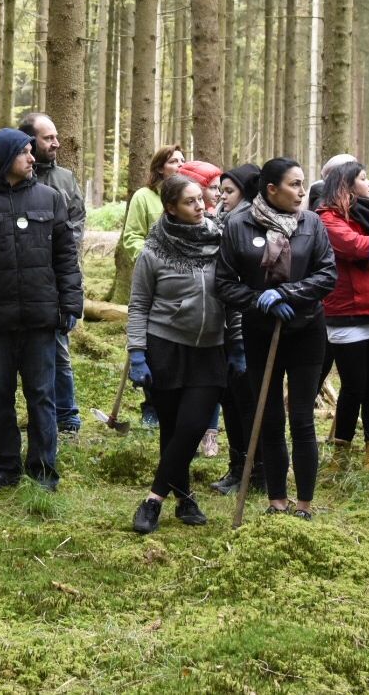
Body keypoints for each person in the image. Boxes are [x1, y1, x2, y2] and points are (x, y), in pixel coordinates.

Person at [0, 128, 83, 493]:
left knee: (42, 395)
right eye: (25, 152)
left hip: (40, 319)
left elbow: (66, 257)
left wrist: (71, 303)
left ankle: (43, 471)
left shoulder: (50, 199)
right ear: (7, 157)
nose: (32, 158)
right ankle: (5, 467)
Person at [215, 157, 337, 519]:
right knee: (268, 417)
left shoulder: (311, 224)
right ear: (271, 189)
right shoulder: (239, 225)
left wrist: (289, 294)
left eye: (303, 184)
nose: (302, 191)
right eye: (294, 184)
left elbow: (327, 274)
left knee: (301, 417)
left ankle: (304, 504)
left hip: (306, 332)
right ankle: (276, 501)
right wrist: (258, 301)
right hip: (259, 333)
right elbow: (223, 283)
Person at [128, 176, 238, 533]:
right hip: (166, 346)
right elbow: (139, 303)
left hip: (210, 349)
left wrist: (236, 345)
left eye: (201, 198)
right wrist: (137, 353)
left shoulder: (220, 241)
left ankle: (153, 500)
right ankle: (184, 494)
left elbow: (233, 296)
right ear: (171, 207)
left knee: (192, 425)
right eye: (190, 201)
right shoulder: (154, 250)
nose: (201, 205)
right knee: (173, 428)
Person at [316, 161, 369, 471]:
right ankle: (340, 453)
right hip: (346, 312)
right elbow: (358, 248)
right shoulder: (327, 218)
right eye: (363, 178)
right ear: (346, 185)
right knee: (353, 385)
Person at [20, 112, 87, 435]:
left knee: (59, 346)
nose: (56, 143)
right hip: (24, 281)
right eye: (48, 138)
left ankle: (67, 415)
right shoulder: (16, 177)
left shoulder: (65, 179)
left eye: (56, 136)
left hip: (58, 276)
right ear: (29, 141)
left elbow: (76, 224)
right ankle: (37, 411)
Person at [209, 162, 266, 495]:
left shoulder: (249, 225)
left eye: (228, 191)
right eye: (220, 190)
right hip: (223, 328)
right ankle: (238, 466)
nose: (221, 197)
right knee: (231, 400)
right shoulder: (221, 222)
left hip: (245, 327)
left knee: (248, 402)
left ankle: (256, 471)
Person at [175, 159, 226, 457]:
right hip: (181, 316)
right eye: (213, 188)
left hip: (213, 313)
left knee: (209, 377)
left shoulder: (217, 224)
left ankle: (210, 433)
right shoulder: (173, 224)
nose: (218, 194)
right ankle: (187, 432)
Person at [112, 145, 186, 305]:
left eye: (182, 161)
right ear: (160, 168)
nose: (180, 164)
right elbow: (132, 237)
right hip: (154, 276)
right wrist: (154, 262)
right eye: (173, 161)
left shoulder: (189, 197)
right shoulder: (143, 196)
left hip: (186, 275)